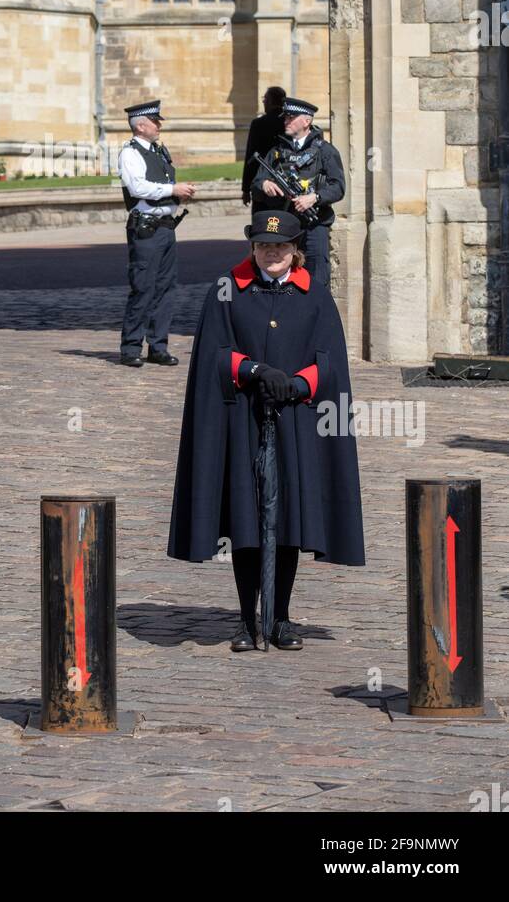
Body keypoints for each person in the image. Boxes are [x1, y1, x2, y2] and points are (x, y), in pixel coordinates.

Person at [167, 209, 365, 651]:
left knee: (287, 520)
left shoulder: (315, 294)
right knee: (246, 519)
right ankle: (244, 620)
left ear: (295, 251)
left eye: (279, 247)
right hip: (243, 417)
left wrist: (300, 383)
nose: (271, 253)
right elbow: (213, 354)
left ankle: (280, 618)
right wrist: (252, 369)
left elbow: (331, 360)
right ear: (252, 247)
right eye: (263, 246)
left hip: (295, 419)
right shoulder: (226, 290)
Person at [118, 99, 196, 368]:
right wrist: (172, 191)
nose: (159, 125)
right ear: (140, 126)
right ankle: (130, 348)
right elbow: (138, 187)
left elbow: (163, 183)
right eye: (155, 121)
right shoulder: (130, 153)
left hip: (165, 227)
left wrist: (177, 196)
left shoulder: (159, 151)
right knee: (143, 287)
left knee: (165, 289)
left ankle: (158, 345)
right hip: (146, 229)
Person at [249, 97, 345, 288]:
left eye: (291, 118)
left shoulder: (324, 151)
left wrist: (314, 198)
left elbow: (338, 187)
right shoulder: (276, 152)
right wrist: (264, 185)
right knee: (282, 277)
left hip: (313, 225)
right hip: (283, 227)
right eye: (285, 118)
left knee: (316, 278)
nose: (285, 121)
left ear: (306, 121)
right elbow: (256, 184)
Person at [241, 86, 286, 206]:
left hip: (262, 183)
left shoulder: (259, 123)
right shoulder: (290, 122)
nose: (263, 102)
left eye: (265, 99)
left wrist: (246, 189)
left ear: (270, 101)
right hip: (287, 183)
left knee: (263, 221)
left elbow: (251, 157)